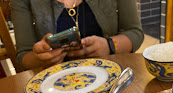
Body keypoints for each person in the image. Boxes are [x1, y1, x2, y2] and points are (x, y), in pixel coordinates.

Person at [10, 0, 144, 70]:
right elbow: (23, 56)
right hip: (55, 90)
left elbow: (134, 32)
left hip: (112, 82)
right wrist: (40, 58)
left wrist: (109, 45)